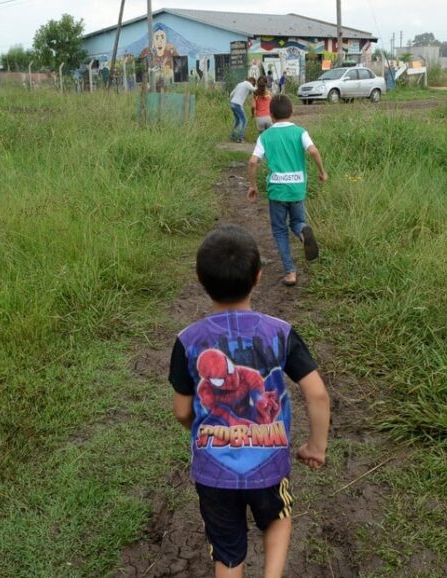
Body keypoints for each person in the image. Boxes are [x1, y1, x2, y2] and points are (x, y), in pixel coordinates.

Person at [169, 224, 331, 578]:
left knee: (227, 554)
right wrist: (316, 446)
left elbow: (183, 411)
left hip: (214, 472)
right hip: (268, 466)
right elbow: (317, 392)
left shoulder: (187, 341)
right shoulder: (280, 332)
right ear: (258, 277)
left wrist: (207, 431)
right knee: (276, 519)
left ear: (200, 278)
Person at [246, 96, 328, 287]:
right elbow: (314, 151)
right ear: (292, 112)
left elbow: (252, 162)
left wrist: (253, 186)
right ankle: (302, 233)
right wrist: (322, 172)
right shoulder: (300, 132)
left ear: (271, 115)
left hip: (277, 190)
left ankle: (290, 272)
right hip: (297, 187)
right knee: (298, 221)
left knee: (280, 230)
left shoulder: (265, 136)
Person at [229, 76, 256, 143]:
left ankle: (232, 136)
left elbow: (231, 94)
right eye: (253, 83)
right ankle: (240, 138)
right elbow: (255, 90)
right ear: (252, 81)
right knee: (244, 121)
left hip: (232, 103)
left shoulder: (239, 84)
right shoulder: (248, 84)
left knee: (237, 120)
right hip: (238, 104)